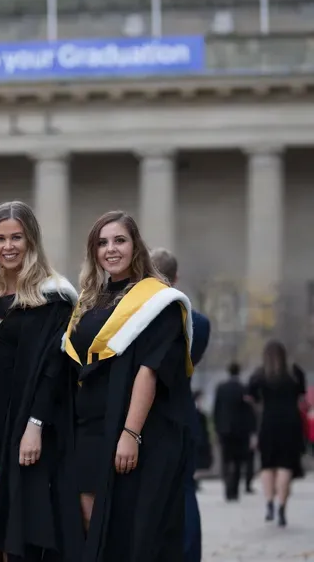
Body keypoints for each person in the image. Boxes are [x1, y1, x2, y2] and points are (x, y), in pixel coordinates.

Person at [59, 210, 193, 562]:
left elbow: (151, 369)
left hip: (133, 430)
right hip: (87, 428)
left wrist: (130, 433)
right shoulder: (90, 300)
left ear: (136, 246)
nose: (111, 249)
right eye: (102, 243)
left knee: (126, 528)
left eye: (119, 240)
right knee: (88, 521)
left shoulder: (157, 301)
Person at [0, 202, 77, 562]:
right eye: (0, 238)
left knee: (18, 525)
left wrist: (35, 425)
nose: (8, 246)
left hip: (25, 420)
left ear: (31, 241)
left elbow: (53, 370)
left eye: (17, 237)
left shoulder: (53, 299)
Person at [150, 247, 211, 562]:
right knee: (185, 492)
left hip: (146, 418)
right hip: (183, 414)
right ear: (176, 277)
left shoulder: (142, 315)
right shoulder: (198, 322)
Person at [248, 340, 307, 527]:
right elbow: (302, 396)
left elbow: (251, 396)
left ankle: (269, 503)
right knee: (285, 465)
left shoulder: (260, 374)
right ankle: (282, 506)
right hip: (290, 423)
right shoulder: (295, 373)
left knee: (268, 465)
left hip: (269, 422)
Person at [213, 362, 255, 501]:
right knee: (237, 461)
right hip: (240, 431)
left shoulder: (221, 388)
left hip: (224, 429)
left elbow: (216, 409)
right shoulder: (243, 389)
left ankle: (227, 487)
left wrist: (217, 427)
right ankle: (235, 490)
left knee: (226, 459)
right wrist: (251, 430)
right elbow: (249, 411)